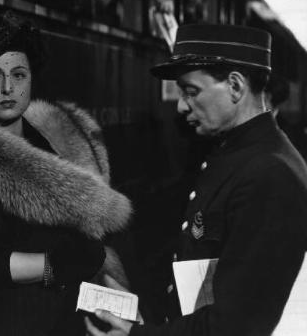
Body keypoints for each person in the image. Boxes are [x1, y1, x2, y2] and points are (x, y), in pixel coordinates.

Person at [0, 12, 133, 336]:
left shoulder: (62, 142)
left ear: (31, 79)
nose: (7, 88)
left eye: (18, 75)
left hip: (70, 321)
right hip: (1, 322)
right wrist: (50, 266)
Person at [86, 24, 307, 336]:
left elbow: (234, 326)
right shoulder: (240, 154)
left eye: (191, 91)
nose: (181, 105)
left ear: (235, 86)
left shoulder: (270, 174)